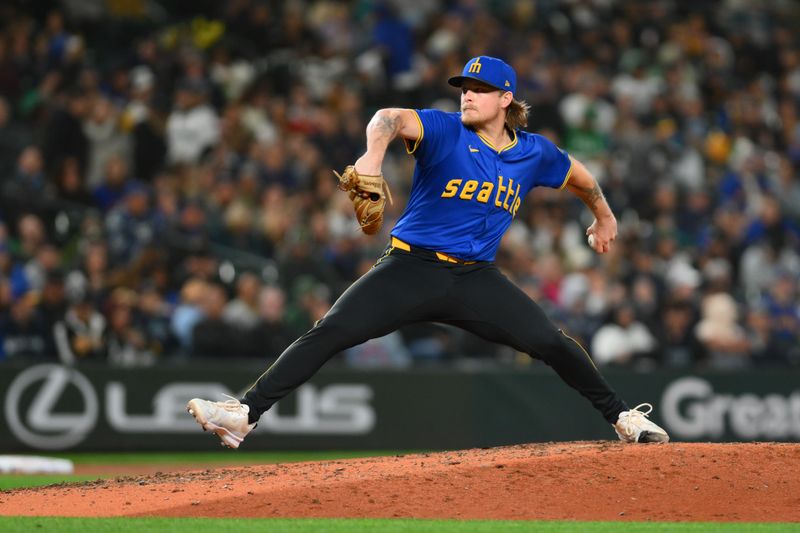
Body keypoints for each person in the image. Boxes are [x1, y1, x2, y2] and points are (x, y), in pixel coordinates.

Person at [187, 56, 669, 448]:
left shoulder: (534, 153)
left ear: (505, 99)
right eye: (464, 86)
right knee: (331, 331)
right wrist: (373, 156)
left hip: (476, 279)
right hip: (410, 267)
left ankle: (623, 418)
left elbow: (580, 178)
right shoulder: (444, 129)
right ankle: (245, 413)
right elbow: (389, 118)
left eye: (479, 88)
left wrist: (604, 216)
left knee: (552, 343)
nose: (467, 94)